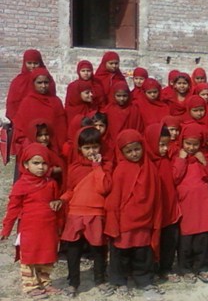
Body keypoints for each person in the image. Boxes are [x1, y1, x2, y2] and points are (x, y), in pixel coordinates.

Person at [104, 130, 163, 297]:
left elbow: (156, 196)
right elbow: (115, 198)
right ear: (121, 152)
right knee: (120, 252)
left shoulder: (149, 167)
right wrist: (114, 220)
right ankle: (119, 280)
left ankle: (144, 281)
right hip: (125, 220)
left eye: (137, 149)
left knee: (142, 252)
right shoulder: (121, 169)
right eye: (128, 151)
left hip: (144, 218)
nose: (134, 154)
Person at [1, 143, 63, 298]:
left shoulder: (51, 183)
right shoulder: (21, 185)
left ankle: (45, 283)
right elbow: (13, 209)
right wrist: (6, 230)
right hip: (29, 228)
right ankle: (31, 286)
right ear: (25, 164)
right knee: (29, 256)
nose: (40, 167)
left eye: (44, 163)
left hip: (48, 227)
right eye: (36, 163)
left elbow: (57, 203)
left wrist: (60, 223)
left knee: (47, 255)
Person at [59, 127, 112, 297]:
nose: (91, 151)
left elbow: (104, 188)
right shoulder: (74, 167)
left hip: (96, 212)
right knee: (73, 249)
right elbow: (70, 190)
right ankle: (73, 282)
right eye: (87, 147)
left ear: (100, 147)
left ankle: (100, 279)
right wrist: (61, 200)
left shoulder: (106, 166)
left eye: (95, 147)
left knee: (98, 248)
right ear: (79, 148)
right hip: (75, 212)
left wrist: (97, 166)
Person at [173, 125, 208, 283]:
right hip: (186, 203)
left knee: (202, 239)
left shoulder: (203, 158)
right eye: (188, 144)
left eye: (195, 144)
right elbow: (175, 177)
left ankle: (202, 267)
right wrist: (181, 159)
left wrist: (204, 162)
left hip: (202, 203)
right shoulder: (178, 157)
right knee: (186, 240)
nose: (191, 148)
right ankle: (186, 268)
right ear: (182, 142)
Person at [144, 123, 181, 283]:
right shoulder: (145, 162)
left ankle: (166, 268)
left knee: (168, 240)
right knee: (152, 240)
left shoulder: (166, 160)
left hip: (169, 208)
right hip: (152, 211)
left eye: (167, 145)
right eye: (161, 145)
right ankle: (150, 269)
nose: (165, 149)